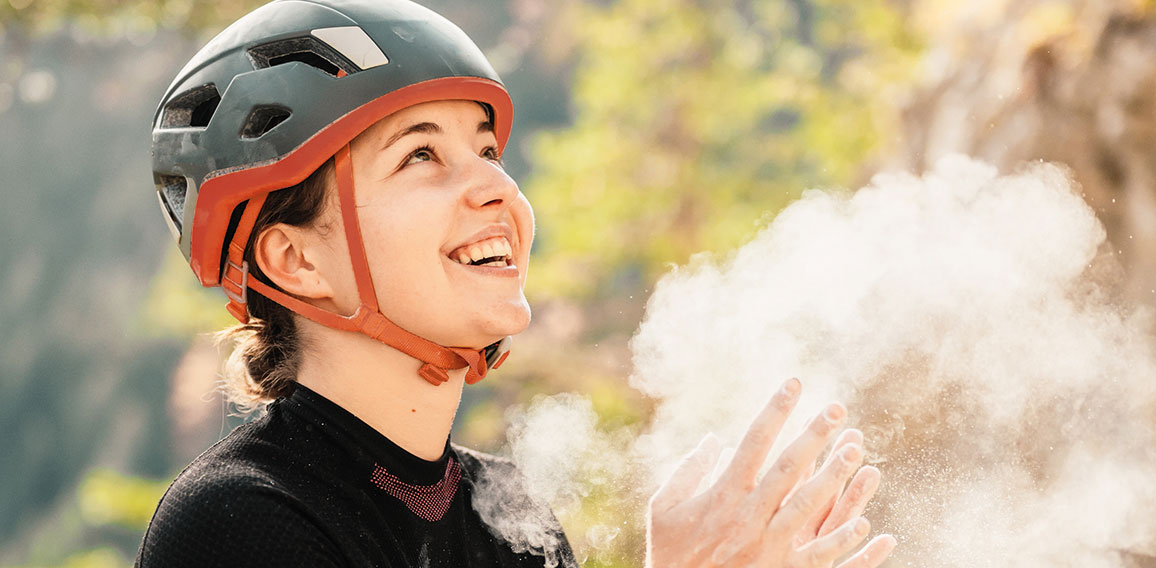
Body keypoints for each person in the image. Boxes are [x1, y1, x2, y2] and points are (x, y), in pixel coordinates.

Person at [138, 1, 897, 566]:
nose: (496, 189)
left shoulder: (508, 515)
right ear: (295, 260)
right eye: (421, 157)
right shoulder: (240, 523)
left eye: (488, 149)